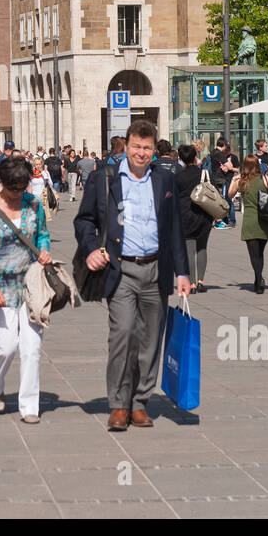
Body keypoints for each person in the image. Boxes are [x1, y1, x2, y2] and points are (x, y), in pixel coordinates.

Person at [75, 119, 192, 432]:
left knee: (150, 340)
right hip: (121, 269)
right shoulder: (105, 179)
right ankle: (118, 404)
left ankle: (140, 403)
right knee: (123, 334)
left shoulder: (164, 180)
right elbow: (84, 220)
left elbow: (175, 230)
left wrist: (183, 272)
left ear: (154, 151)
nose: (141, 153)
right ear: (125, 146)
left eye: (147, 148)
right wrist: (89, 249)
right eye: (136, 146)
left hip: (156, 269)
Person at [0, 156, 53, 423]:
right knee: (5, 346)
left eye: (23, 188)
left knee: (31, 347)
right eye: (14, 189)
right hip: (1, 284)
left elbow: (42, 234)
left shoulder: (33, 205)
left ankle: (30, 406)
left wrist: (44, 250)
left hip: (32, 284)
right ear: (3, 184)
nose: (19, 193)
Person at [230, 155, 268, 293]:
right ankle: (258, 278)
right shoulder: (265, 179)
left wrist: (233, 180)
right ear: (258, 165)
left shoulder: (242, 181)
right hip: (265, 220)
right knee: (260, 252)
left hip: (250, 220)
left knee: (254, 254)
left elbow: (229, 195)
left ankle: (259, 278)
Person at [175, 144, 214, 293]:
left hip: (185, 215)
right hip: (204, 214)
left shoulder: (178, 176)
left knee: (189, 250)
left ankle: (191, 283)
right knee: (202, 247)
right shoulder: (203, 174)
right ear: (195, 156)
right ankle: (201, 281)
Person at [208, 138, 239, 229]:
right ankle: (220, 221)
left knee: (217, 199)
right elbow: (229, 166)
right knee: (223, 200)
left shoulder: (213, 152)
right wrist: (228, 162)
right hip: (221, 180)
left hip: (214, 178)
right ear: (224, 145)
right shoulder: (219, 153)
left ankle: (220, 220)